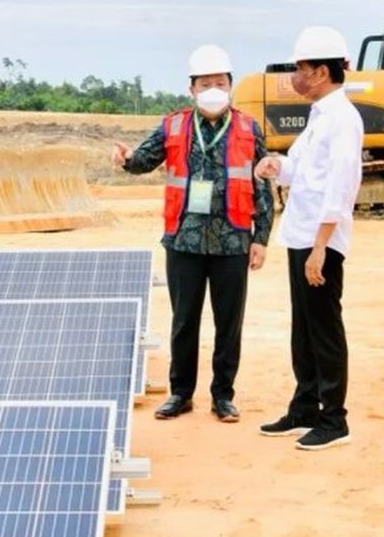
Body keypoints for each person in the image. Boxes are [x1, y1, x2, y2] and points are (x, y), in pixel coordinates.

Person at [113, 45, 274, 423]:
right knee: (184, 320)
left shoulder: (248, 128)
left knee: (228, 323)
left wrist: (261, 237)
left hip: (232, 239)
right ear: (192, 89)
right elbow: (144, 160)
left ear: (231, 85)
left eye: (220, 82)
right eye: (206, 83)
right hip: (183, 240)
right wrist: (126, 160)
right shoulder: (173, 125)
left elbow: (263, 185)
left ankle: (223, 396)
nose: (213, 88)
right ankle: (180, 393)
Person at [255, 26, 363, 451]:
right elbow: (302, 170)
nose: (295, 78)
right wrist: (275, 167)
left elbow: (341, 185)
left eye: (300, 70)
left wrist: (321, 245)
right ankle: (305, 408)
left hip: (321, 239)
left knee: (323, 328)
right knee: (303, 328)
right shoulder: (320, 115)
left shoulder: (342, 119)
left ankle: (334, 419)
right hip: (300, 234)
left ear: (320, 72)